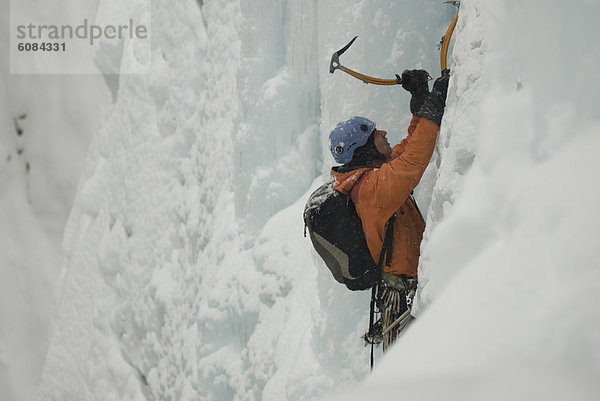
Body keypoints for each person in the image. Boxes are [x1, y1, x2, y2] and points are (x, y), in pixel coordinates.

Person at [328, 69, 450, 347]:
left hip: (407, 294)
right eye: (374, 135)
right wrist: (434, 109)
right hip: (406, 302)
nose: (383, 133)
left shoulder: (372, 175)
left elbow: (407, 149)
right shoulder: (371, 189)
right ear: (364, 149)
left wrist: (420, 103)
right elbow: (412, 162)